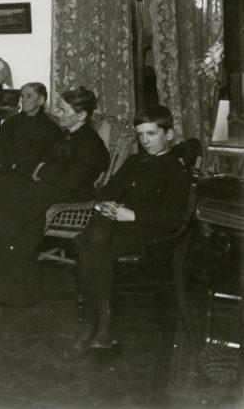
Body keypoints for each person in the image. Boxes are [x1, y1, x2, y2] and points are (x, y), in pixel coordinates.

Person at [62, 105, 192, 361]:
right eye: (141, 135)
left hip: (145, 230)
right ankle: (104, 323)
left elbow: (173, 219)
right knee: (97, 235)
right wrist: (104, 204)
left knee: (89, 243)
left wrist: (131, 215)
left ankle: (91, 327)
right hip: (115, 223)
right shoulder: (134, 161)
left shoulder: (177, 170)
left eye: (152, 134)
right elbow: (108, 189)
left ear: (170, 134)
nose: (145, 141)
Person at [0, 87, 109, 309]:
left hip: (70, 196)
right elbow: (45, 164)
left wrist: (43, 171)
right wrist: (44, 170)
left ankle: (9, 291)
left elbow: (69, 182)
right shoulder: (67, 136)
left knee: (10, 211)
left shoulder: (91, 144)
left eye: (63, 110)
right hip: (48, 188)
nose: (58, 114)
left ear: (81, 116)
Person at [0, 82, 63, 179]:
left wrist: (20, 168)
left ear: (41, 100)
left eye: (29, 96)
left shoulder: (52, 129)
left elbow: (49, 161)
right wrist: (8, 167)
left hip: (32, 178)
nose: (23, 100)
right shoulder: (11, 122)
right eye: (22, 96)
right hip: (6, 173)